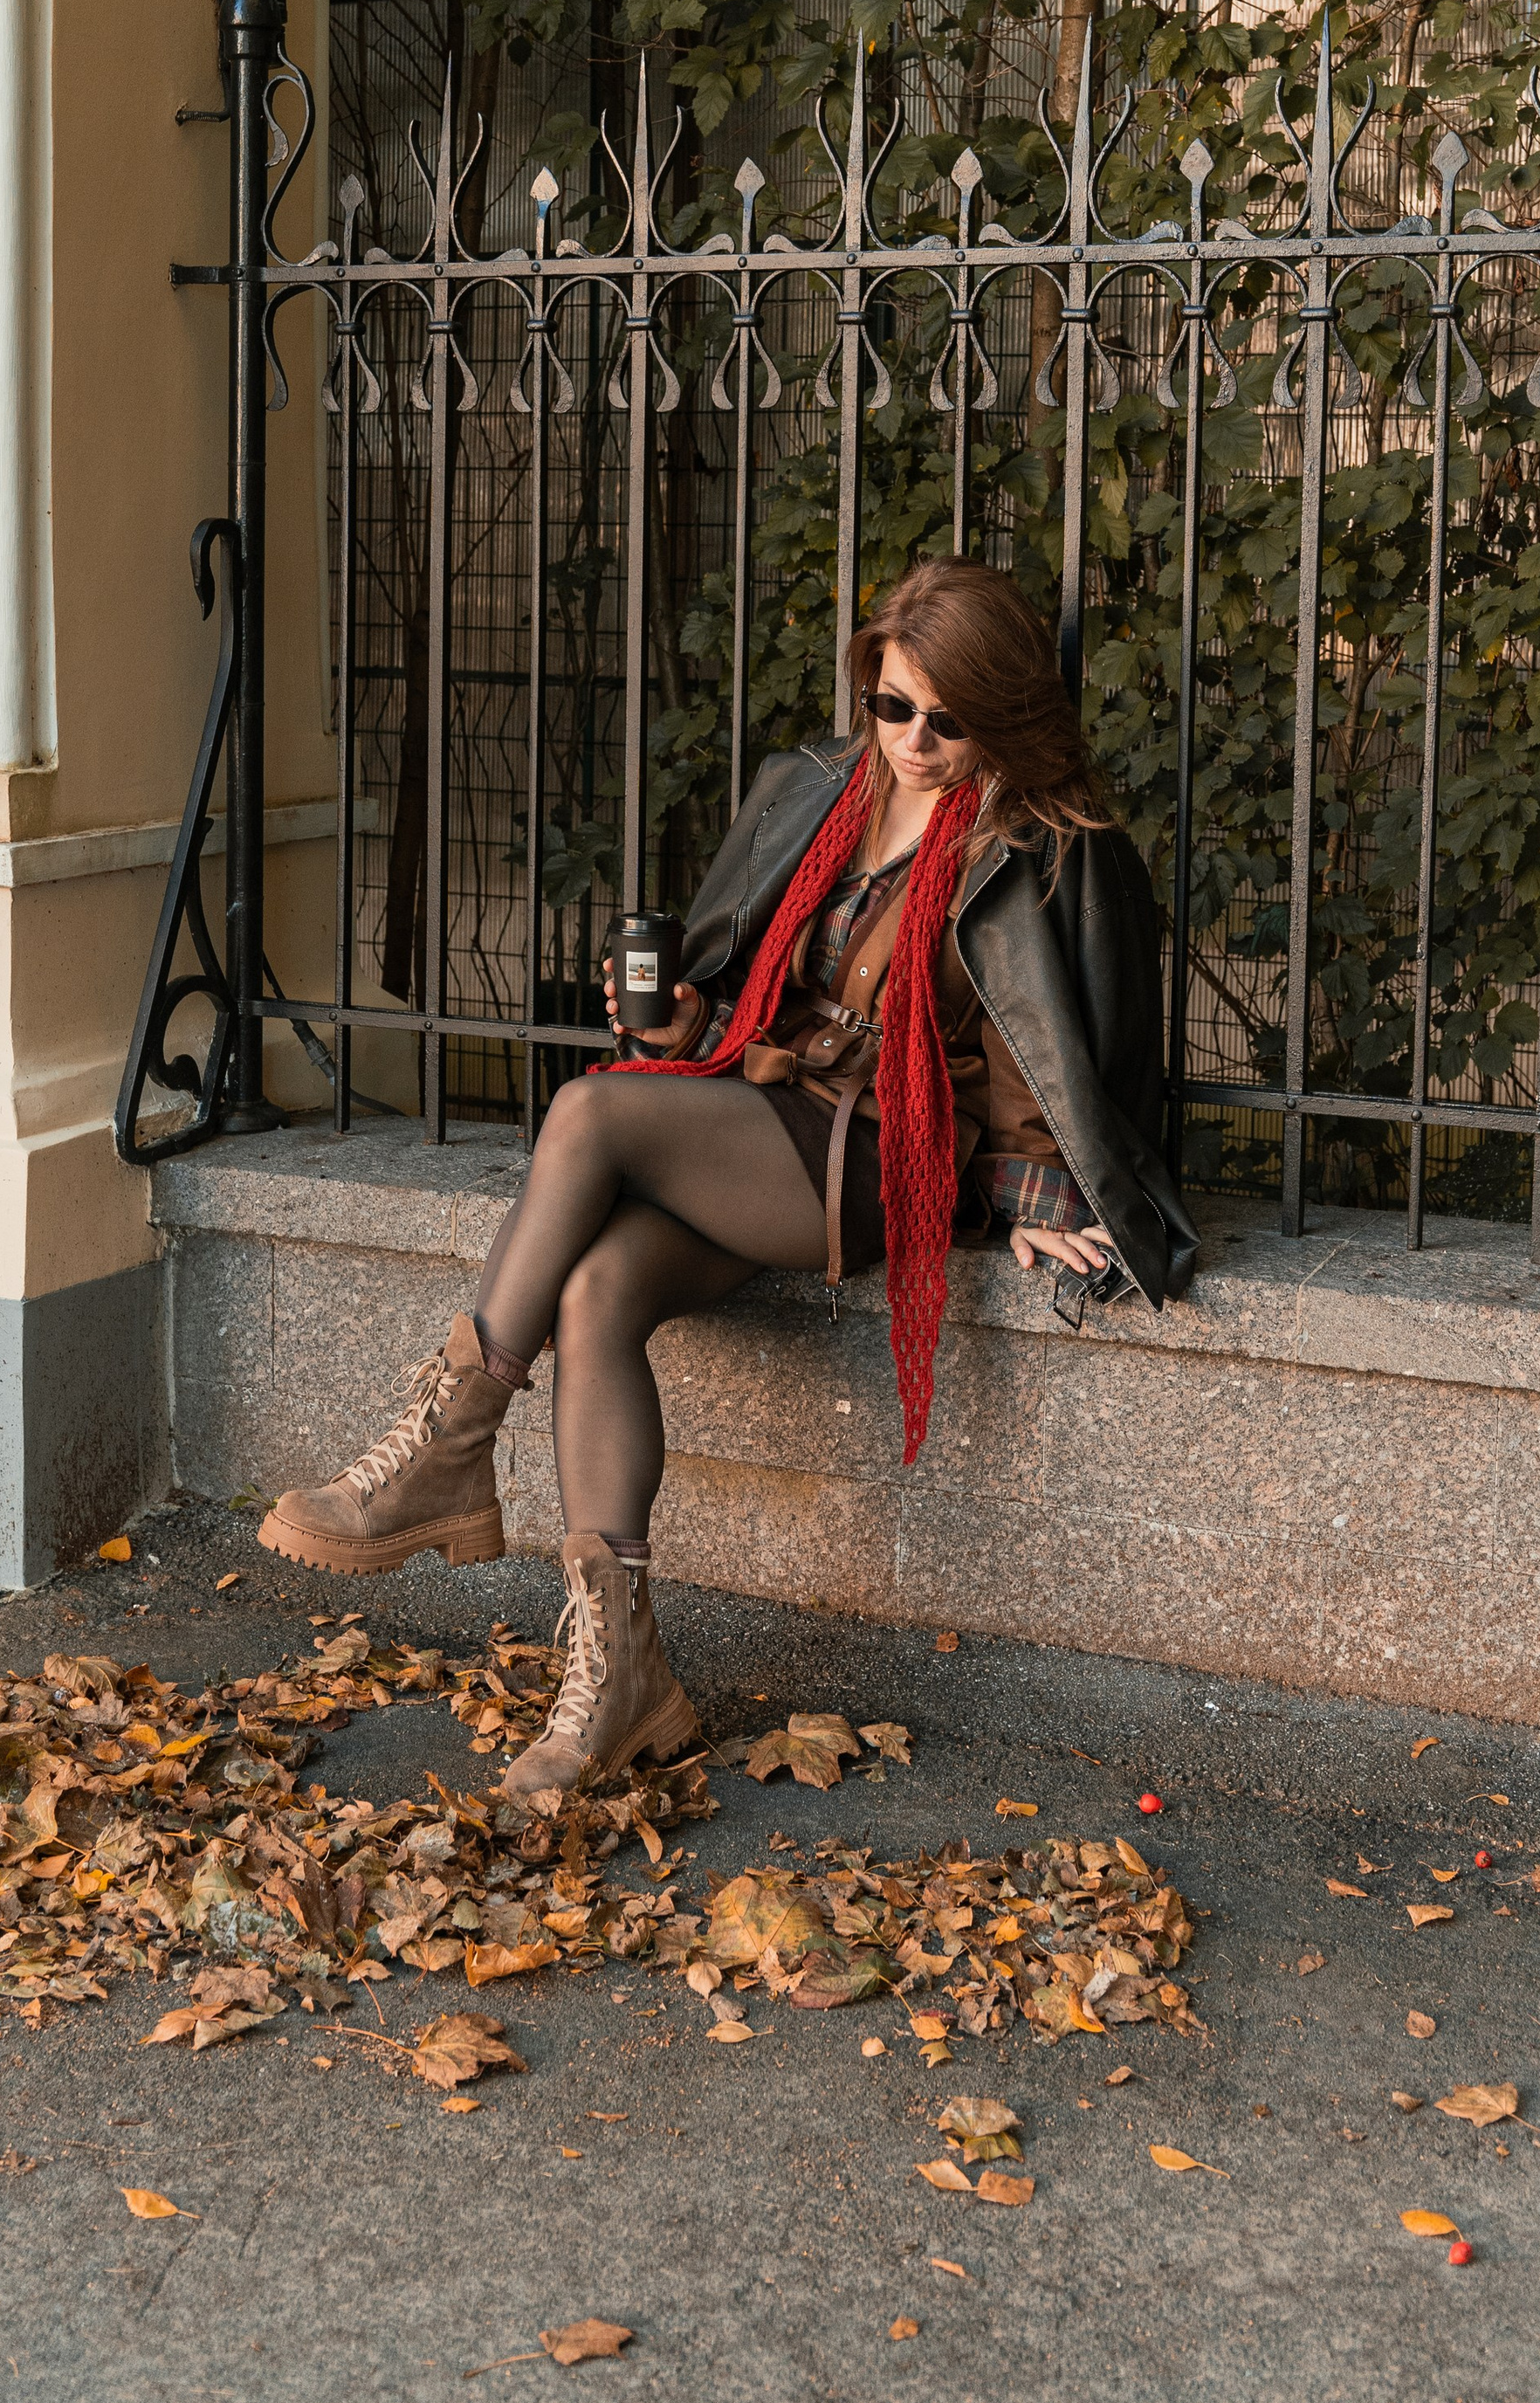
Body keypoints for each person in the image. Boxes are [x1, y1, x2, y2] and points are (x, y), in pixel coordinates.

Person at [256, 557, 1198, 1796]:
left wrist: (1036, 1197)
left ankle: (448, 1440)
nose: (915, 740)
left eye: (948, 720)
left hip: (886, 1150)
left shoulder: (1054, 847)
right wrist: (686, 1024)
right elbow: (764, 985)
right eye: (893, 706)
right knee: (596, 1290)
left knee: (590, 1116)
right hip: (773, 1108)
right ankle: (620, 1681)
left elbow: (1071, 1046)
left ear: (1005, 711)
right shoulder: (823, 795)